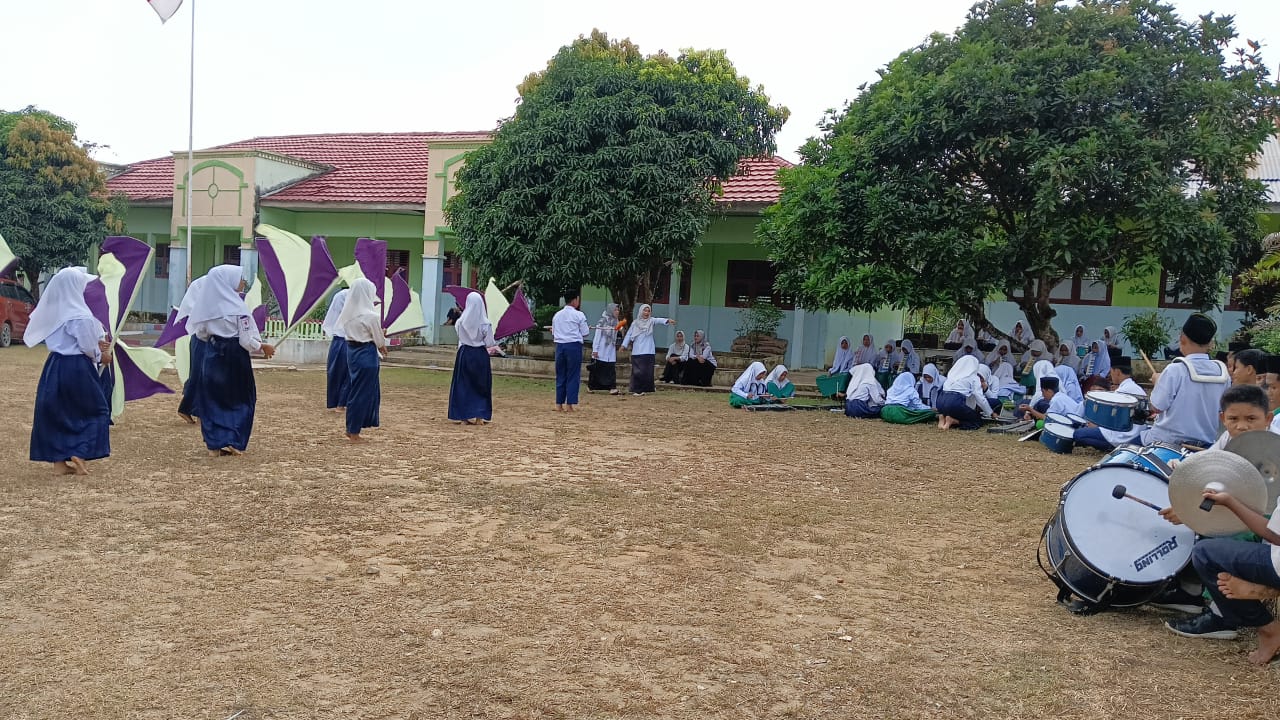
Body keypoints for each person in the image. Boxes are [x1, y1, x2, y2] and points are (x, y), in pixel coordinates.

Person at [1160, 386, 1280, 664]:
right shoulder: (1228, 439)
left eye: (1251, 419)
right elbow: (1204, 472)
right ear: (1223, 418)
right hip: (1250, 519)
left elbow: (1267, 521)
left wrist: (1197, 513)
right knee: (1198, 524)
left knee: (1215, 541)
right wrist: (1187, 505)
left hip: (1264, 528)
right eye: (1234, 419)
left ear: (1268, 419)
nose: (1242, 426)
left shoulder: (1274, 452)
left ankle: (1221, 615)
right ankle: (1191, 591)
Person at [25, 267, 113, 476]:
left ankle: (59, 464)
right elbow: (88, 347)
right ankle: (79, 451)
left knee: (58, 412)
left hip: (55, 365)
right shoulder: (81, 315)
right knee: (97, 410)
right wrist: (102, 356)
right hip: (78, 367)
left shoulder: (54, 314)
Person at [187, 265, 276, 456]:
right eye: (240, 278)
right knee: (241, 398)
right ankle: (234, 439)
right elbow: (246, 340)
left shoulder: (206, 308)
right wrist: (262, 346)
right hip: (235, 357)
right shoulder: (238, 308)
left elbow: (201, 334)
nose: (243, 281)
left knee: (212, 398)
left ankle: (214, 443)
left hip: (211, 355)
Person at [1141, 313, 1230, 449]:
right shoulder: (1222, 372)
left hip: (1166, 443)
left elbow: (1156, 407)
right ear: (1210, 343)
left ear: (1182, 339)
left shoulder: (1175, 370)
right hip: (1206, 444)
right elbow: (1221, 410)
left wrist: (1158, 383)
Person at [337, 279, 387, 441]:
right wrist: (382, 340)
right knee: (362, 393)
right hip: (367, 354)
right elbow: (379, 341)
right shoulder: (371, 316)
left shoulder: (348, 315)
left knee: (356, 390)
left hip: (352, 353)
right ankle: (353, 430)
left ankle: (352, 427)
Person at [1073, 360, 1149, 451]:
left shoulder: (1123, 391)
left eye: (1111, 372)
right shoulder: (1136, 388)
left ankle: (1113, 447)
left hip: (1122, 435)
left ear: (1117, 372)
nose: (1110, 375)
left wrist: (1097, 426)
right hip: (1135, 433)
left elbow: (1112, 420)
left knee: (1078, 434)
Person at [449, 291, 497, 424]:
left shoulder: (460, 322)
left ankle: (463, 417)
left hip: (464, 354)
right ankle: (479, 417)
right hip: (480, 355)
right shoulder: (485, 323)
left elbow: (460, 337)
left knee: (463, 385)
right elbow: (490, 343)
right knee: (481, 384)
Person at [173, 274, 207, 425]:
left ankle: (195, 410)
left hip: (208, 340)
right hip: (202, 340)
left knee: (204, 375)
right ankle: (189, 409)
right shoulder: (200, 307)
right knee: (199, 374)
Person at [621, 303, 674, 396]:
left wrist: (667, 320)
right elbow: (629, 334)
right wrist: (623, 345)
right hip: (637, 351)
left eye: (648, 311)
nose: (646, 313)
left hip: (648, 351)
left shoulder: (651, 321)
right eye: (645, 310)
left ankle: (645, 389)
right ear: (641, 311)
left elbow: (658, 320)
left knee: (647, 371)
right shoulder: (635, 323)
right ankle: (637, 389)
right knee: (637, 371)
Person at [551, 290, 591, 410]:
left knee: (561, 374)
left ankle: (559, 404)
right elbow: (585, 332)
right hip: (573, 346)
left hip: (560, 346)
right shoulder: (579, 315)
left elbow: (554, 332)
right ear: (574, 300)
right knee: (573, 375)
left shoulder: (557, 315)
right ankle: (570, 404)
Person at [937, 355, 994, 430]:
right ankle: (952, 421)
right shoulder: (974, 378)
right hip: (954, 402)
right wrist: (990, 413)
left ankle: (942, 417)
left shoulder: (952, 375)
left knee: (957, 412)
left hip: (940, 402)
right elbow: (980, 398)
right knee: (977, 421)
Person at [321, 287, 351, 414]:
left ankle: (341, 403)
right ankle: (340, 403)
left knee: (339, 373)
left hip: (341, 341)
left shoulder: (343, 296)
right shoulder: (345, 296)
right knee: (344, 374)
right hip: (345, 341)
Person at [588, 303, 621, 394]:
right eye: (615, 310)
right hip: (601, 348)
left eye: (618, 310)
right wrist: (595, 350)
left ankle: (612, 387)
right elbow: (597, 336)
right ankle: (591, 386)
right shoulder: (602, 321)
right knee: (598, 368)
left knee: (610, 368)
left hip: (611, 349)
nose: (617, 312)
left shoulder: (616, 322)